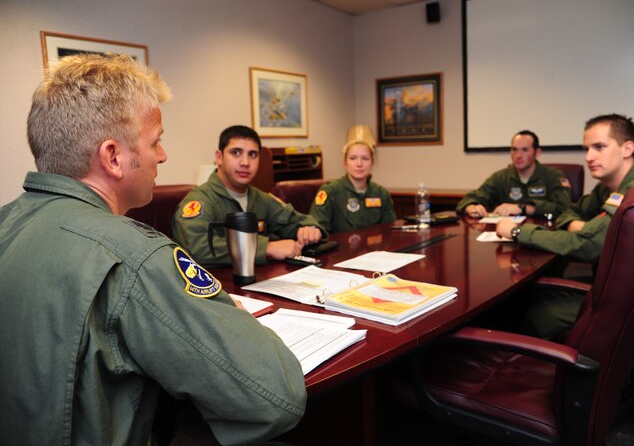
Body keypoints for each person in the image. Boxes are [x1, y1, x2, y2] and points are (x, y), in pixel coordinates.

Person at [0, 54, 306, 446]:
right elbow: (275, 396)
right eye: (155, 141)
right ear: (113, 157)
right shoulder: (134, 254)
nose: (163, 155)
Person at [496, 114, 634, 339]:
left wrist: (517, 231)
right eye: (587, 148)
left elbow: (587, 245)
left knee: (541, 315)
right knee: (533, 293)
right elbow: (569, 212)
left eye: (599, 147)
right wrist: (578, 225)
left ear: (627, 148)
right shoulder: (613, 186)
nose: (589, 157)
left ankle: (531, 370)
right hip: (627, 289)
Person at [173, 125, 326, 267]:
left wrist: (310, 230)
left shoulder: (261, 198)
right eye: (235, 153)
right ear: (219, 157)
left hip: (259, 283)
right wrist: (265, 248)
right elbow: (195, 249)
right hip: (214, 289)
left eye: (252, 154)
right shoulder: (200, 201)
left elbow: (298, 221)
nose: (245, 162)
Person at [456, 130, 572, 218]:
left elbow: (564, 208)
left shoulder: (553, 176)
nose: (518, 155)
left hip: (545, 235)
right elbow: (471, 198)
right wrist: (472, 207)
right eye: (514, 149)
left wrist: (523, 208)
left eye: (525, 150)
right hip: (506, 236)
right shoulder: (500, 177)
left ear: (537, 153)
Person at [309, 139, 396, 233]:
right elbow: (317, 229)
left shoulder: (381, 193)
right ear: (345, 163)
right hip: (341, 247)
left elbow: (390, 230)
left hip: (375, 247)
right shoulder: (330, 191)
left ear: (372, 164)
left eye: (365, 158)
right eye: (353, 158)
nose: (359, 164)